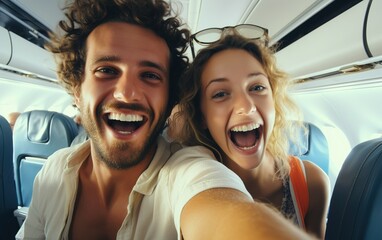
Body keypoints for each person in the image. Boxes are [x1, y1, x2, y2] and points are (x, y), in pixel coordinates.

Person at [16, 0, 316, 239]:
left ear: (169, 97)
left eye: (150, 75)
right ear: (77, 88)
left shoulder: (190, 172)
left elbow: (222, 211)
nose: (127, 93)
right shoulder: (54, 172)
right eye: (107, 70)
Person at [171, 30, 330, 238]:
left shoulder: (313, 183)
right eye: (220, 94)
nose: (246, 107)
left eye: (257, 87)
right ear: (203, 117)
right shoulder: (193, 185)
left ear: (274, 99)